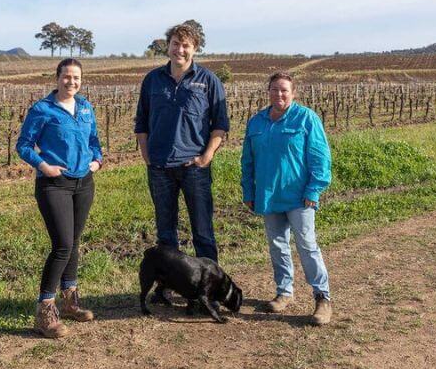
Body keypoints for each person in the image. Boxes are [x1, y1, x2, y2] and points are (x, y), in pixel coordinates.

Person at [17, 57, 103, 338]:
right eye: (66, 77)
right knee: (62, 245)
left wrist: (97, 161)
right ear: (57, 78)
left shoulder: (86, 107)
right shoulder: (43, 109)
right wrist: (44, 166)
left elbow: (93, 142)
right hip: (54, 184)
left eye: (76, 77)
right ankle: (45, 310)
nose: (71, 82)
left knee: (74, 242)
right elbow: (24, 146)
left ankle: (70, 301)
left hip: (83, 183)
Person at [241, 72, 333, 325]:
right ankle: (284, 293)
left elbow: (320, 158)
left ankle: (322, 297)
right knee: (277, 246)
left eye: (284, 90)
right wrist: (249, 191)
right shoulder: (257, 122)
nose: (279, 94)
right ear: (268, 92)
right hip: (269, 196)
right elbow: (247, 160)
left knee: (307, 246)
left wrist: (314, 189)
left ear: (293, 93)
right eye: (274, 90)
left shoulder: (306, 119)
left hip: (299, 198)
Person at [135, 22, 230, 265]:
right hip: (159, 167)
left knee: (203, 231)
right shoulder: (152, 80)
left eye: (186, 45)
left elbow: (220, 124)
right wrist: (147, 155)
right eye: (175, 44)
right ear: (167, 47)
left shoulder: (208, 80)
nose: (180, 49)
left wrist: (206, 156)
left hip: (194, 167)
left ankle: (210, 289)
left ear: (195, 48)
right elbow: (142, 121)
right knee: (165, 234)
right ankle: (168, 286)